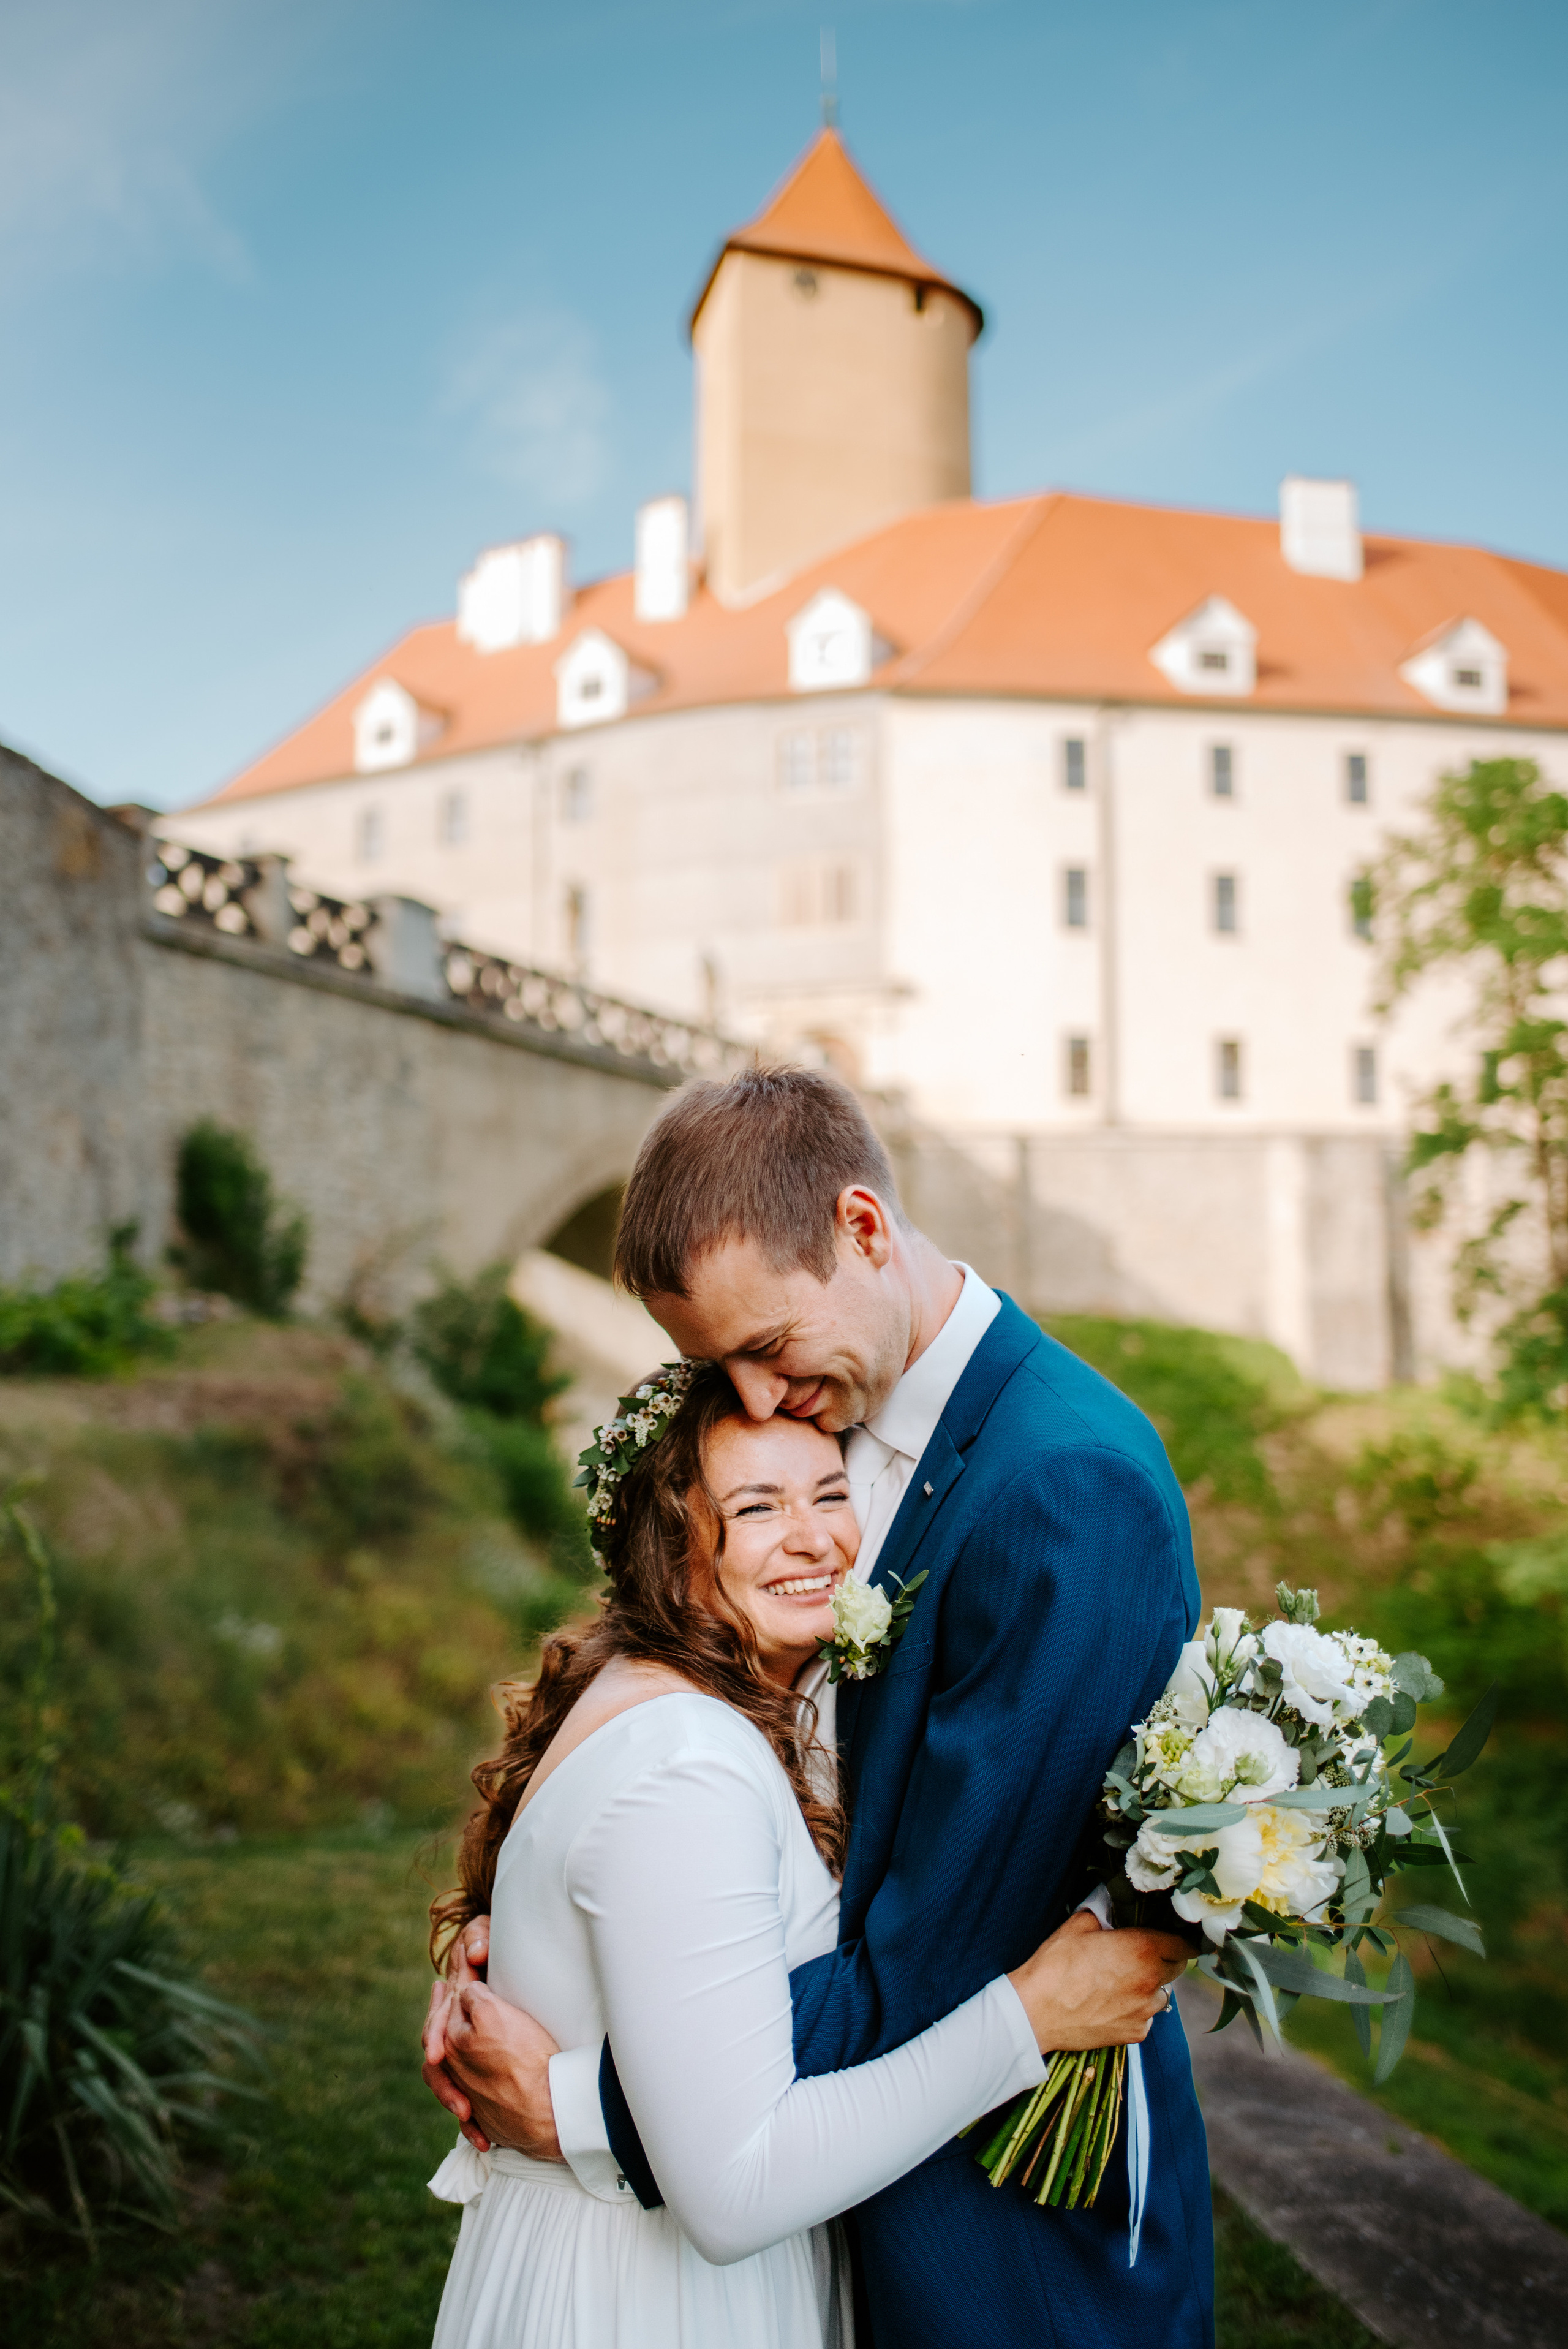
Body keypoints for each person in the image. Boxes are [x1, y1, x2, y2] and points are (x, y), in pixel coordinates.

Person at [425, 1066, 1215, 2348]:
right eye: (710, 1368)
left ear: (860, 1229)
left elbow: (934, 1956)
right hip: (833, 2209)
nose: (746, 1403)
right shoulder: (822, 1415)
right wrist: (531, 1957)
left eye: (761, 1348)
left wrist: (586, 2094)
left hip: (1002, 2241)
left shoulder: (1062, 1487)